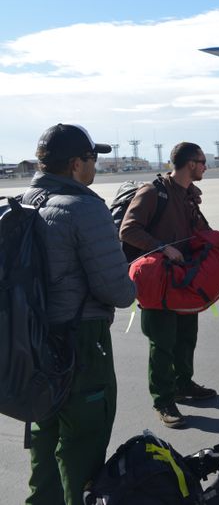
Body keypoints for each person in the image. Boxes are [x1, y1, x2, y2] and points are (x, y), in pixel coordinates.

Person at [22, 124, 136, 505]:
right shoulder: (85, 208)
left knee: (45, 434)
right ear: (75, 164)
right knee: (83, 444)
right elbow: (117, 292)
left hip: (34, 340)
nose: (95, 165)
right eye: (92, 158)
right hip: (83, 344)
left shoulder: (23, 203)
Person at [120, 142, 217, 429]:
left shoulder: (188, 195)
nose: (204, 167)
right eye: (202, 162)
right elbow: (128, 229)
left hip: (184, 279)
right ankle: (163, 401)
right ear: (190, 164)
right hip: (157, 281)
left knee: (187, 335)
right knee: (162, 343)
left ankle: (183, 384)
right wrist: (161, 248)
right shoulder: (153, 192)